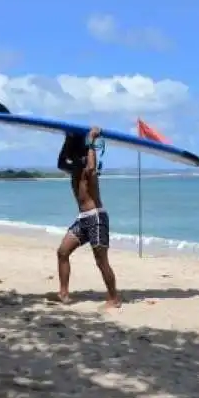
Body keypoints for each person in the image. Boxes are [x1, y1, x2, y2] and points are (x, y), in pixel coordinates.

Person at [54, 127, 122, 310]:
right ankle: (63, 293)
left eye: (71, 151)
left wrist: (91, 139)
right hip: (83, 219)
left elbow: (92, 169)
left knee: (101, 261)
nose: (69, 156)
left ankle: (114, 298)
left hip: (96, 217)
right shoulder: (75, 168)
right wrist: (67, 139)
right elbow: (60, 163)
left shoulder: (86, 167)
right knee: (62, 252)